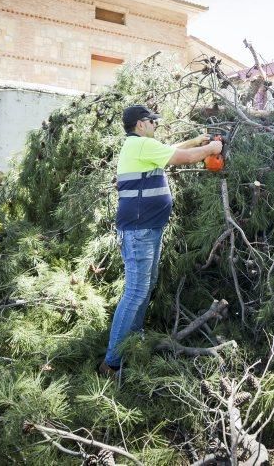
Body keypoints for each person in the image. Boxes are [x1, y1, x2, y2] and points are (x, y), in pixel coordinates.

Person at [99, 105, 222, 376]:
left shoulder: (141, 147)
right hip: (140, 230)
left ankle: (135, 336)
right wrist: (211, 150)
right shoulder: (140, 146)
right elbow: (181, 157)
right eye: (152, 122)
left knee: (146, 284)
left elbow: (172, 150)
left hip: (148, 227)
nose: (155, 126)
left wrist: (194, 142)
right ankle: (112, 362)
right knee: (135, 291)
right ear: (141, 125)